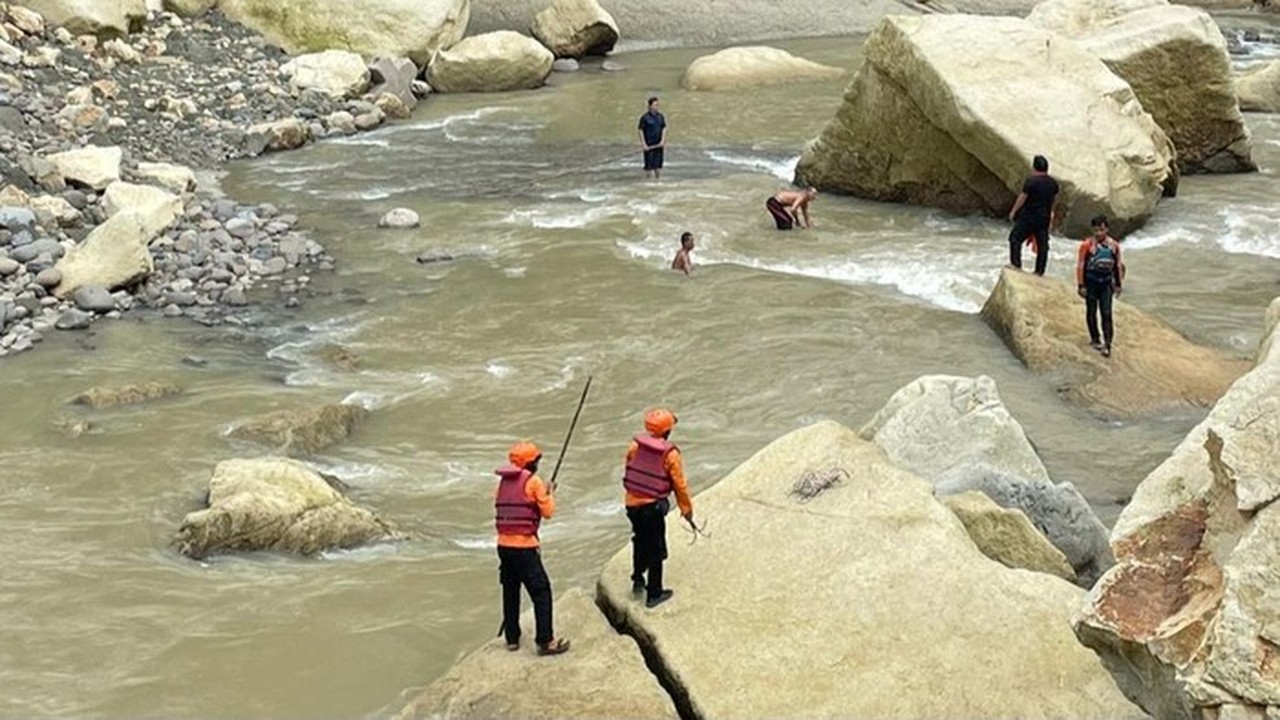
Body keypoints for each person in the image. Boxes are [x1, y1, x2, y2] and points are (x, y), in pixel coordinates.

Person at [494, 441, 570, 656]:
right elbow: (548, 512)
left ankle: (511, 638)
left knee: (510, 590)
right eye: (536, 460)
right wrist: (549, 493)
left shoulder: (502, 483)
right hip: (525, 548)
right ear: (530, 463)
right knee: (541, 592)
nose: (538, 463)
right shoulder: (534, 481)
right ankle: (545, 641)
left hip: (503, 546)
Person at [622, 408, 694, 609]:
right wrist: (687, 510)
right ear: (667, 431)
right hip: (653, 508)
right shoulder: (670, 454)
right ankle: (654, 593)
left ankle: (638, 579)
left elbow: (630, 469)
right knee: (656, 549)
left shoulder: (635, 446)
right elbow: (679, 485)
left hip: (632, 505)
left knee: (639, 540)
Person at [1076, 215, 1125, 358]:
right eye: (1096, 230)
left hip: (1106, 284)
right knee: (1091, 312)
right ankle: (1095, 338)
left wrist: (1118, 284)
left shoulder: (1114, 246)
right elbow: (1081, 266)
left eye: (1102, 230)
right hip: (1091, 283)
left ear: (1107, 229)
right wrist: (1081, 285)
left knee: (1106, 313)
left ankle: (1107, 344)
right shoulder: (1086, 246)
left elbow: (1117, 266)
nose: (1099, 233)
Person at [1006, 154, 1060, 276]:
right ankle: (1039, 271)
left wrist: (1013, 211)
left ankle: (1016, 264)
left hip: (1029, 216)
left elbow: (1022, 198)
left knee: (1015, 238)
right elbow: (1054, 201)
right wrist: (1051, 213)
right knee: (1042, 245)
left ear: (1034, 167)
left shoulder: (1031, 181)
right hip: (1044, 217)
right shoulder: (1053, 183)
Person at [637, 96, 667, 180]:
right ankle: (649, 182)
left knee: (658, 166)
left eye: (658, 105)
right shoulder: (645, 118)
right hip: (649, 146)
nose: (657, 107)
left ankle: (658, 181)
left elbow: (664, 128)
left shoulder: (660, 116)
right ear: (650, 106)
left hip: (658, 145)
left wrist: (663, 140)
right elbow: (640, 131)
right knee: (649, 167)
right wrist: (644, 144)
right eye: (655, 105)